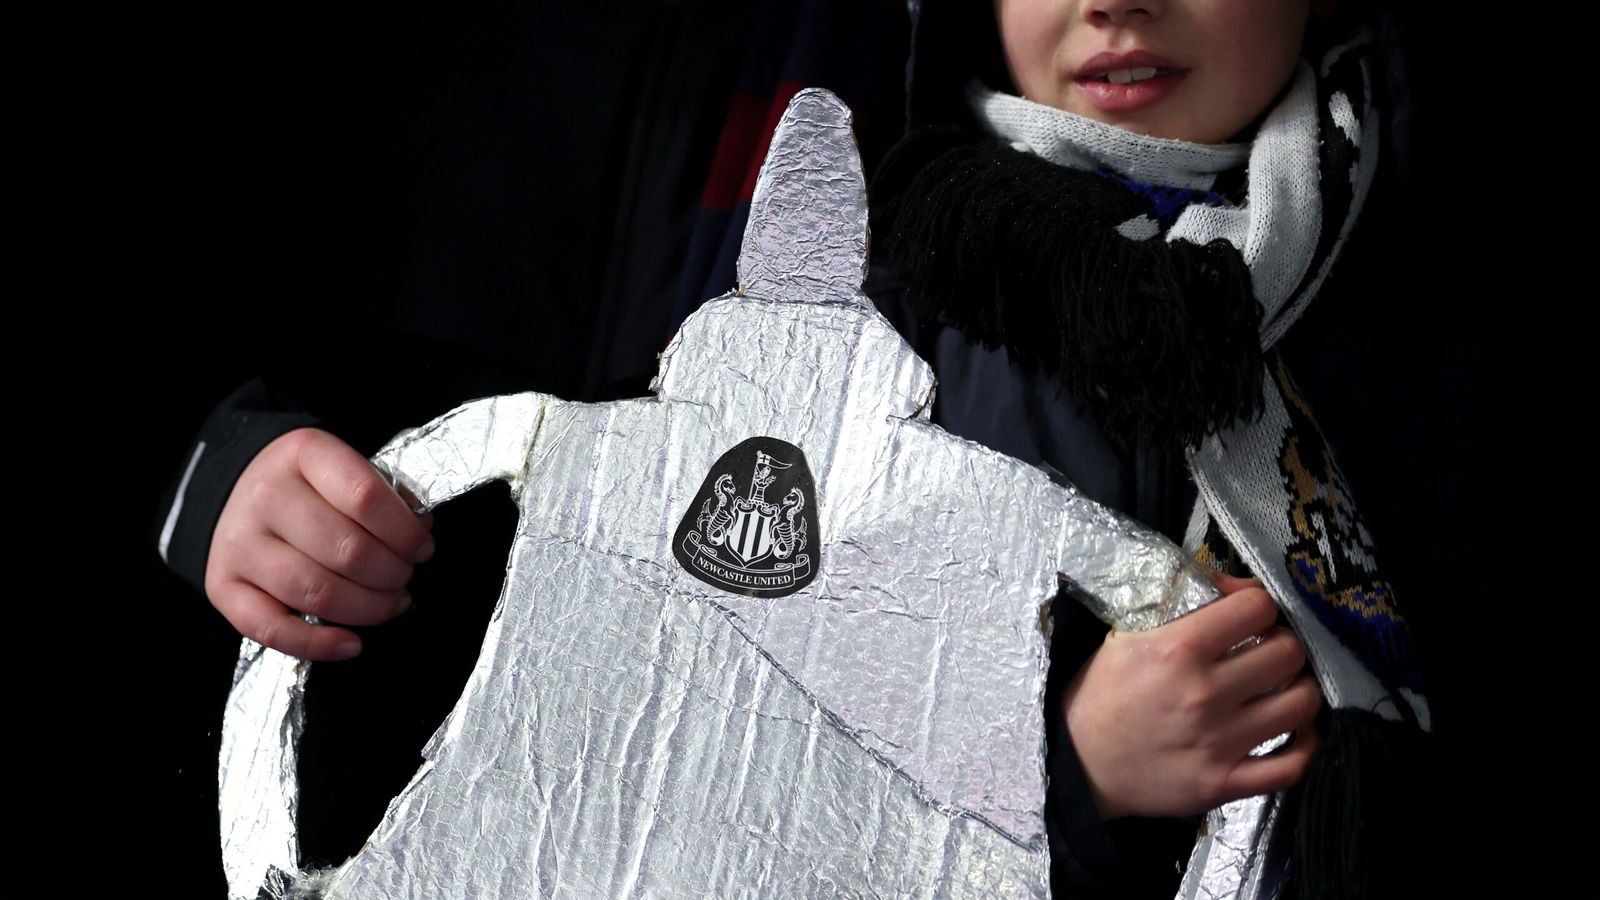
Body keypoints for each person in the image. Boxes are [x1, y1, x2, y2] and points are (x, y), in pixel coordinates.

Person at [863, 1, 1441, 897]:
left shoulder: (1439, 288)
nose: (1112, 2)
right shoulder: (891, 323)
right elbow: (801, 775)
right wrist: (1070, 776)